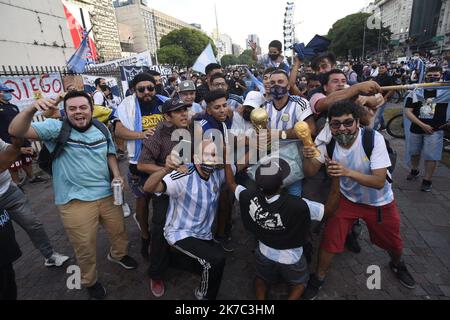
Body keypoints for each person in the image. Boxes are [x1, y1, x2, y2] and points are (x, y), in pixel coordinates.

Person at [9, 91, 138, 300]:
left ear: (90, 109)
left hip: (107, 194)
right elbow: (15, 130)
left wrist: (116, 175)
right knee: (85, 246)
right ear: (65, 111)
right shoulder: (56, 128)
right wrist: (33, 108)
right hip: (74, 201)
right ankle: (90, 280)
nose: (78, 112)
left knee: (119, 232)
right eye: (72, 108)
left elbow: (109, 152)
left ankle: (118, 255)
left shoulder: (101, 127)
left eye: (83, 107)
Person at [301, 100, 416, 300]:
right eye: (336, 124)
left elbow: (379, 181)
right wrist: (308, 155)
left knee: (393, 243)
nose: (342, 128)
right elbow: (310, 172)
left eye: (348, 123)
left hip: (379, 202)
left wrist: (347, 172)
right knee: (330, 239)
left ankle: (397, 264)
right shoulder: (328, 140)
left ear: (357, 122)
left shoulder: (373, 139)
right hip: (347, 200)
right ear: (329, 125)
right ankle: (318, 277)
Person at [224, 158, 340, 300]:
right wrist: (336, 180)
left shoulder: (248, 196)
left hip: (264, 252)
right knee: (300, 284)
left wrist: (225, 158)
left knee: (261, 278)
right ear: (281, 184)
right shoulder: (298, 205)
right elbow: (329, 210)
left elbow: (231, 183)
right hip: (291, 258)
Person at [143, 139, 235, 300]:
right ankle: (204, 296)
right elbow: (149, 187)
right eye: (210, 155)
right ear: (197, 158)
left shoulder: (216, 174)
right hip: (180, 232)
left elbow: (237, 167)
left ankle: (169, 260)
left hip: (203, 234)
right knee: (215, 260)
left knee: (208, 265)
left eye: (217, 155)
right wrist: (165, 169)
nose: (214, 159)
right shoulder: (182, 175)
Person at [137, 98, 191, 297]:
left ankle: (186, 256)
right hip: (164, 186)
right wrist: (168, 170)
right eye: (178, 112)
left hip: (187, 186)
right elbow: (142, 165)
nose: (184, 114)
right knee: (160, 227)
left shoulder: (189, 128)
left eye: (185, 110)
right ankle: (156, 273)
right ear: (167, 117)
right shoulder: (158, 134)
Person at [115, 73, 164, 259]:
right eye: (141, 89)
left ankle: (164, 235)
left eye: (150, 88)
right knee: (143, 202)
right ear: (133, 90)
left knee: (163, 200)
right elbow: (118, 130)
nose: (146, 92)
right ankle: (145, 236)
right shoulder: (126, 106)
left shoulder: (164, 102)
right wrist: (141, 135)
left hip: (162, 162)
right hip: (139, 163)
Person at [263, 69, 316, 197]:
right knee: (272, 197)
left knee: (294, 196)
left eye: (280, 81)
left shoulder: (299, 103)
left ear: (288, 85)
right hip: (272, 160)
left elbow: (311, 129)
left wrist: (279, 134)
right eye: (273, 82)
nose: (276, 85)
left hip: (295, 160)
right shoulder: (264, 106)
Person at [405, 66, 450, 192]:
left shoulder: (446, 91)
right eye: (430, 75)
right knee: (414, 152)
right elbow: (408, 111)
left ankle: (427, 180)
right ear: (426, 76)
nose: (433, 78)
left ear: (441, 76)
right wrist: (422, 125)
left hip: (435, 130)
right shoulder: (417, 91)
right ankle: (414, 169)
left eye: (436, 75)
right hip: (416, 128)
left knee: (431, 156)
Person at [0, 84, 46, 185]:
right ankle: (17, 184)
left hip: (21, 138)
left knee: (27, 159)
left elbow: (21, 123)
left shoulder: (14, 107)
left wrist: (27, 138)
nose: (9, 94)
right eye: (6, 92)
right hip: (7, 140)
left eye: (9, 92)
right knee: (14, 164)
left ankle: (32, 178)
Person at [373, 63, 395, 130]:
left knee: (377, 115)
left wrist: (385, 98)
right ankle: (383, 126)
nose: (381, 69)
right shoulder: (378, 76)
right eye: (380, 68)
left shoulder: (389, 77)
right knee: (380, 112)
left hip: (383, 98)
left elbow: (392, 89)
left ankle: (373, 131)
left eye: (382, 68)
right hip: (377, 97)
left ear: (386, 69)